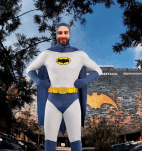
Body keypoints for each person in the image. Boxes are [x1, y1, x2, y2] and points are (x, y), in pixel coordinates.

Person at [26, 23, 102, 151]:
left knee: (75, 138)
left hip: (72, 100)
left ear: (69, 34)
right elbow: (30, 69)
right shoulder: (47, 53)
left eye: (65, 32)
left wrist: (85, 81)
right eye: (60, 33)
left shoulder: (79, 54)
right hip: (52, 100)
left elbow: (97, 70)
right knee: (49, 139)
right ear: (56, 35)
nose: (63, 35)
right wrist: (39, 81)